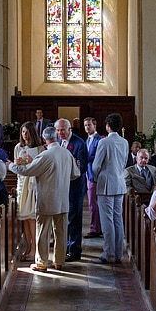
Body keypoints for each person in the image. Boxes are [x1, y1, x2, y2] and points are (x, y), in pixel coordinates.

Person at [7, 126, 79, 272]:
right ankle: (59, 261)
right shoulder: (66, 153)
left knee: (43, 231)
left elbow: (27, 170)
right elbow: (75, 174)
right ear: (56, 137)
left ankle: (42, 262)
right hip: (63, 199)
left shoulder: (46, 155)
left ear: (45, 139)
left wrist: (11, 166)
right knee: (61, 231)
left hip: (47, 199)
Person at [92, 112, 129, 264]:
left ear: (108, 125)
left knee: (107, 220)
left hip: (106, 184)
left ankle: (108, 253)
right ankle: (118, 253)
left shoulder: (104, 142)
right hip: (119, 183)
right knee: (117, 219)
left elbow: (96, 165)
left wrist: (95, 178)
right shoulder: (125, 142)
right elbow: (125, 162)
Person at [55, 117, 88, 262]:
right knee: (63, 216)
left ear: (69, 129)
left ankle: (74, 250)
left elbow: (82, 166)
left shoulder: (78, 143)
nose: (60, 133)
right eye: (58, 130)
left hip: (74, 185)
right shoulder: (58, 142)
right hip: (61, 185)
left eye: (62, 130)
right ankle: (64, 245)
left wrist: (73, 166)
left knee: (74, 216)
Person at [14, 122, 43, 261]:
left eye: (27, 132)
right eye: (23, 132)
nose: (24, 135)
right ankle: (28, 246)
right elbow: (15, 166)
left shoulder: (40, 149)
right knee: (24, 218)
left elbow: (41, 168)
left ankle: (35, 249)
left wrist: (32, 162)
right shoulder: (18, 147)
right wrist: (18, 163)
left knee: (32, 218)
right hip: (22, 183)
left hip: (33, 184)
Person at [82, 116, 103, 239]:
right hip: (87, 173)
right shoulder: (88, 139)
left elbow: (97, 157)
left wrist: (82, 159)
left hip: (94, 174)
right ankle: (95, 227)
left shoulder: (98, 140)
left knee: (93, 203)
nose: (87, 127)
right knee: (91, 202)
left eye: (89, 125)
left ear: (94, 126)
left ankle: (95, 228)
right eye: (85, 125)